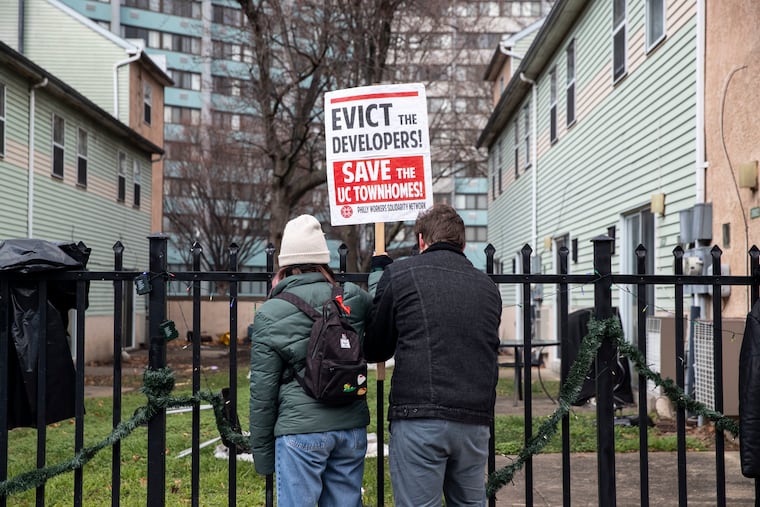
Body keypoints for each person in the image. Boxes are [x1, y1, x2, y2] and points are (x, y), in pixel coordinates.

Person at [364, 203, 502, 507]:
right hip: (474, 421)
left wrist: (378, 280)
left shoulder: (399, 274)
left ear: (422, 240)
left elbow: (375, 347)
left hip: (419, 417)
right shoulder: (488, 288)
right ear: (463, 244)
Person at [249, 214, 372, 507]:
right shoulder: (354, 298)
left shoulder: (270, 313)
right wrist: (378, 275)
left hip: (300, 434)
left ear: (285, 265)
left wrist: (264, 458)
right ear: (324, 259)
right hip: (350, 427)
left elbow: (262, 395)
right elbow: (381, 308)